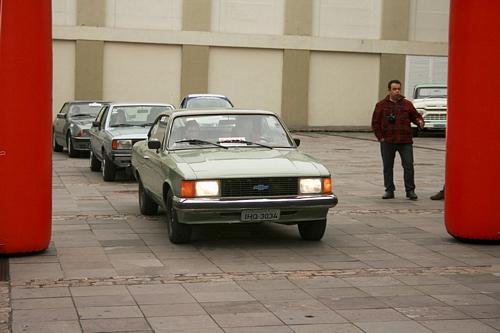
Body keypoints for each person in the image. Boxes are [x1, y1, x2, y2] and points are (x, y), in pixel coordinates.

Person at [371, 79, 425, 200]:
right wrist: (381, 138)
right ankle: (389, 190)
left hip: (405, 141)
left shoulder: (407, 104)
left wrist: (420, 122)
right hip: (388, 141)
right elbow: (375, 123)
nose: (397, 91)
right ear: (389, 90)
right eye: (394, 89)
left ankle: (410, 190)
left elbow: (416, 117)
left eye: (398, 89)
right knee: (388, 167)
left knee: (408, 166)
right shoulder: (381, 105)